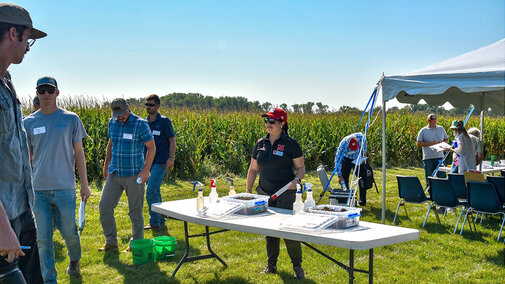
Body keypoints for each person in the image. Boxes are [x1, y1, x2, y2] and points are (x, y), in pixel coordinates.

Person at [23, 76, 91, 281]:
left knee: (69, 232)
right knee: (43, 239)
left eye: (49, 90)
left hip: (65, 188)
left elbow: (79, 153)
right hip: (39, 190)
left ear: (57, 93)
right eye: (41, 90)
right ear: (36, 93)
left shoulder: (71, 119)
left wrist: (85, 185)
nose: (45, 94)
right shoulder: (28, 122)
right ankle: (49, 278)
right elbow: (27, 157)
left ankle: (75, 259)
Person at [0, 3, 46, 283]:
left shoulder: (7, 80)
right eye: (28, 39)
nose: (29, 47)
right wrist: (3, 228)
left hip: (20, 211)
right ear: (13, 33)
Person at [246, 108, 305, 279]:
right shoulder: (260, 143)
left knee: (289, 230)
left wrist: (296, 181)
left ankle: (297, 267)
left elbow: (300, 168)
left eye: (272, 121)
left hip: (285, 193)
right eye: (266, 121)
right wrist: (249, 191)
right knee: (270, 230)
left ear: (282, 123)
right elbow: (253, 169)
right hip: (265, 193)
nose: (268, 124)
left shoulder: (291, 144)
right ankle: (271, 265)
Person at [98, 98, 155, 251]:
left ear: (128, 108)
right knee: (104, 206)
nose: (120, 118)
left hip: (135, 174)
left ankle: (136, 243)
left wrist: (146, 170)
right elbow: (111, 143)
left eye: (123, 115)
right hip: (115, 173)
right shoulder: (113, 122)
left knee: (135, 211)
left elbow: (151, 147)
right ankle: (111, 242)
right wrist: (106, 164)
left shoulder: (140, 124)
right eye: (118, 115)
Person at [143, 94, 176, 230]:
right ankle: (161, 216)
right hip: (148, 162)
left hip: (161, 161)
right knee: (155, 189)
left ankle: (155, 221)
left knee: (150, 190)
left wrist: (171, 158)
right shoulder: (144, 122)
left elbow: (172, 140)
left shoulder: (164, 121)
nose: (148, 107)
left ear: (158, 106)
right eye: (147, 105)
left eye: (151, 105)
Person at [334, 132, 368, 206]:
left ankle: (362, 200)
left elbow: (365, 143)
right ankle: (346, 199)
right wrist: (339, 176)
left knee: (362, 178)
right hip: (346, 159)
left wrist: (364, 152)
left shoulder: (361, 137)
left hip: (358, 158)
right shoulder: (343, 144)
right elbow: (337, 159)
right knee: (344, 178)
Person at [416, 113, 449, 184]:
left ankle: (443, 190)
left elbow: (446, 139)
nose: (434, 122)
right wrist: (431, 143)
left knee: (442, 177)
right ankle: (430, 191)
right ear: (428, 121)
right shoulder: (423, 131)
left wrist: (443, 144)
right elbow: (418, 143)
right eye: (432, 121)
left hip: (440, 157)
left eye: (435, 120)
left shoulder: (441, 129)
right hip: (428, 158)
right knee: (429, 177)